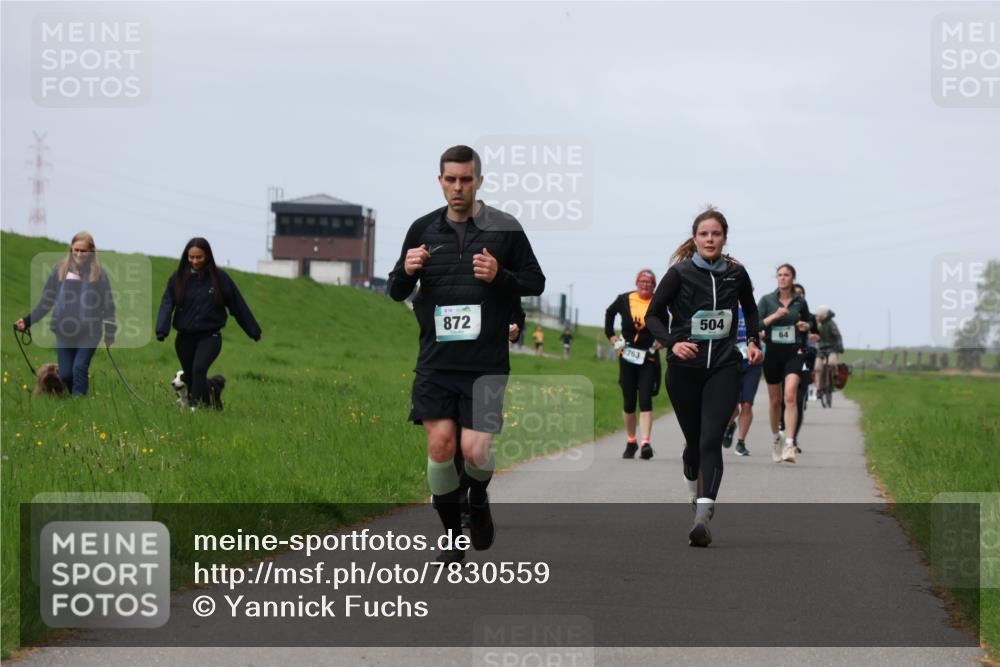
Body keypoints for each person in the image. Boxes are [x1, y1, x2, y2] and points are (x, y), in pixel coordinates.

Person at [386, 145, 545, 563]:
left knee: (475, 451)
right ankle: (453, 537)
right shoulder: (421, 229)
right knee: (440, 446)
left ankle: (477, 496)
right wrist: (406, 269)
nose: (458, 187)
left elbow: (535, 281)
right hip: (436, 363)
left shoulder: (504, 228)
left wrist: (500, 276)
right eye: (450, 180)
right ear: (440, 181)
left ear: (479, 181)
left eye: (466, 179)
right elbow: (395, 290)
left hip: (485, 363)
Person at [646, 208, 761, 547]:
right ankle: (692, 487)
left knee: (711, 439)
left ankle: (703, 515)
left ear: (725, 238)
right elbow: (653, 315)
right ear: (695, 239)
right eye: (704, 234)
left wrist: (753, 340)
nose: (710, 239)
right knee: (694, 444)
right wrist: (672, 343)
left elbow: (750, 309)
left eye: (716, 234)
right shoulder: (679, 274)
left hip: (724, 368)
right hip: (684, 372)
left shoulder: (736, 275)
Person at [155, 238, 261, 409]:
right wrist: (162, 329)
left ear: (207, 256)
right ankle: (214, 391)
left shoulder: (220, 278)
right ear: (186, 257)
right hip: (184, 338)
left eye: (199, 257)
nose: (195, 261)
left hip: (210, 337)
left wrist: (253, 331)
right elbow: (167, 302)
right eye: (191, 257)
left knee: (198, 369)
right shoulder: (178, 278)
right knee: (190, 375)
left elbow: (237, 304)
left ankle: (193, 408)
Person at [15, 231, 116, 396]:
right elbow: (46, 301)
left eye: (83, 251)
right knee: (67, 374)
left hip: (90, 331)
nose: (78, 254)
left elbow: (109, 306)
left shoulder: (99, 275)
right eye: (75, 249)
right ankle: (72, 398)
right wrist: (27, 321)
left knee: (79, 368)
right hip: (64, 330)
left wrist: (110, 333)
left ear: (91, 251)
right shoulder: (59, 271)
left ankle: (79, 403)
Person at [757, 264, 816, 464]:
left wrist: (805, 325)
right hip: (773, 352)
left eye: (786, 275)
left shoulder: (800, 301)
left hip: (794, 352)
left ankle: (790, 443)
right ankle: (776, 439)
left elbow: (810, 323)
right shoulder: (767, 300)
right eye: (780, 275)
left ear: (793, 278)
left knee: (790, 395)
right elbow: (756, 324)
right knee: (775, 401)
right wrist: (775, 316)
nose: (782, 278)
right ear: (776, 278)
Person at [605, 269, 662, 460]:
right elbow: (609, 313)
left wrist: (662, 341)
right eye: (642, 281)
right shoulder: (624, 299)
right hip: (627, 355)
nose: (645, 285)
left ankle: (646, 442)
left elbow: (668, 323)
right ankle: (631, 440)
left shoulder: (658, 302)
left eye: (649, 282)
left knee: (645, 399)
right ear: (636, 283)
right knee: (629, 401)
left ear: (654, 285)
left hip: (648, 357)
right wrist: (612, 337)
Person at [720, 305, 763, 457]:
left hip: (752, 363)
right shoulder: (725, 308)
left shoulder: (754, 311)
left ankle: (741, 442)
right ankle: (730, 425)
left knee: (747, 404)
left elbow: (763, 327)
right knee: (732, 406)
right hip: (731, 361)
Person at [814, 305, 844, 403]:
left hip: (832, 348)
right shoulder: (818, 325)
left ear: (823, 315)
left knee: (832, 363)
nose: (816, 317)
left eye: (818, 315)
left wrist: (839, 346)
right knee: (817, 368)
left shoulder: (831, 324)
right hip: (821, 349)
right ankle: (818, 389)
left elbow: (838, 336)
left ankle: (835, 375)